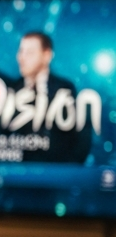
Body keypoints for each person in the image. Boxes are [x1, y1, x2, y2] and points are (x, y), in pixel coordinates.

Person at [14, 30, 91, 163]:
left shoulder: (65, 89)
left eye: (30, 53)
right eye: (21, 51)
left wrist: (68, 171)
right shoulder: (12, 88)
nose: (22, 57)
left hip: (58, 173)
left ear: (47, 55)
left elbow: (82, 136)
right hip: (15, 175)